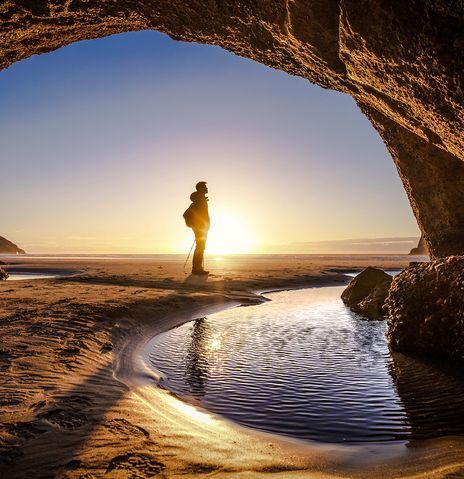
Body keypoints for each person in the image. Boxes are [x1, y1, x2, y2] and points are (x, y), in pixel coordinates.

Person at [187, 181, 210, 275]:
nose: (207, 188)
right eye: (205, 187)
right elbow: (189, 214)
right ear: (201, 189)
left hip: (201, 227)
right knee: (200, 246)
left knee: (201, 246)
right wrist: (197, 224)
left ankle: (197, 268)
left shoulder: (201, 199)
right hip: (200, 227)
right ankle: (197, 269)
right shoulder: (199, 200)